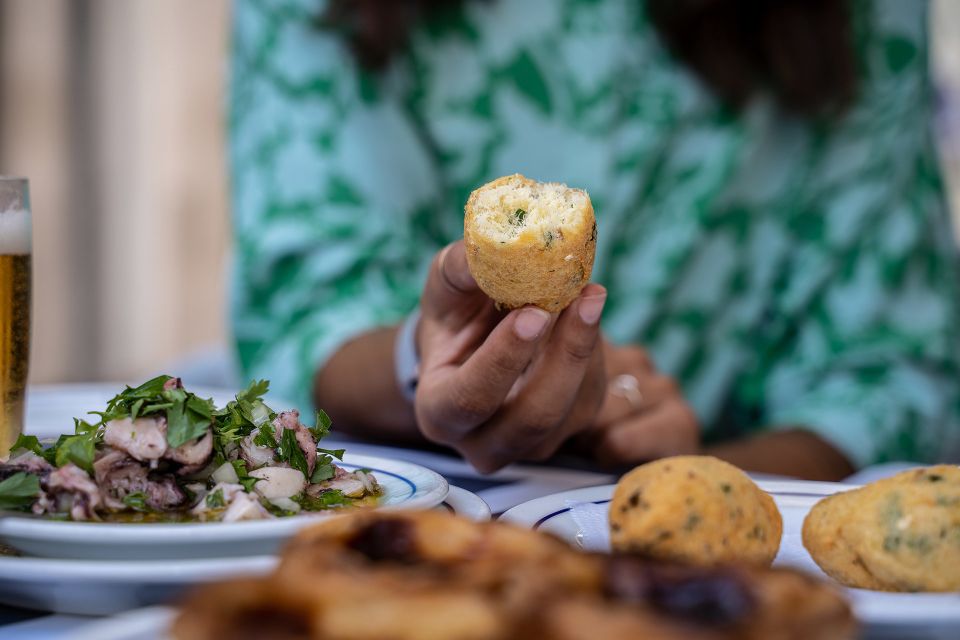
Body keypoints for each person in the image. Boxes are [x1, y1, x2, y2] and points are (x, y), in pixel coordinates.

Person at [228, 0, 960, 480]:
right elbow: (309, 306)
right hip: (386, 537)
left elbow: (888, 380)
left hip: (726, 577)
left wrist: (675, 478)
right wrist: (426, 362)